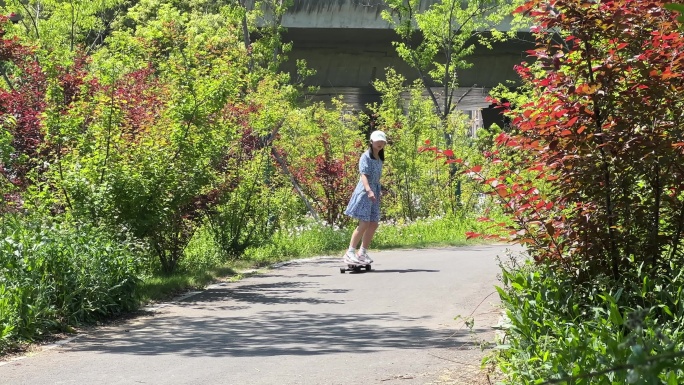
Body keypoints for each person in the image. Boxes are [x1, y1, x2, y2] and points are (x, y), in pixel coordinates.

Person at [343, 130, 387, 265]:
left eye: (383, 141)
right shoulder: (365, 157)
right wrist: (368, 190)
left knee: (373, 223)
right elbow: (364, 175)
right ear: (371, 142)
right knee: (364, 223)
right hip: (365, 192)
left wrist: (379, 189)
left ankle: (362, 252)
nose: (380, 143)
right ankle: (350, 252)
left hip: (374, 192)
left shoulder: (380, 158)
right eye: (378, 140)